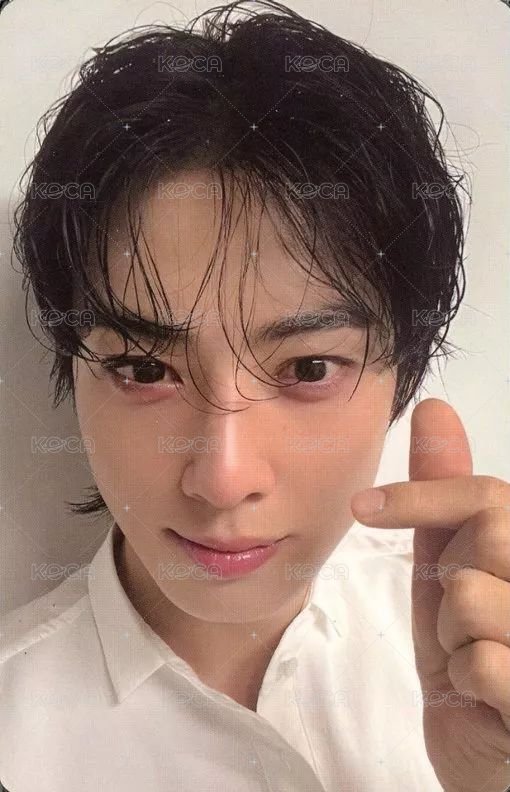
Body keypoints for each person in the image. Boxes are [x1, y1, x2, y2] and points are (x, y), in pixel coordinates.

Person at [3, 1, 509, 791]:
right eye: (144, 369)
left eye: (308, 369)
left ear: (404, 370)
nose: (223, 478)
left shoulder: (487, 664)